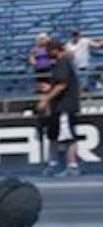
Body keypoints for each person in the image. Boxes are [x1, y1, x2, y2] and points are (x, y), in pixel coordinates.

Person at [38, 40, 81, 177]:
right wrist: (48, 88)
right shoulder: (59, 64)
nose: (49, 55)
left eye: (50, 51)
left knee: (68, 137)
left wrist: (46, 99)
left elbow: (62, 85)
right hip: (58, 107)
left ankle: (72, 166)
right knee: (54, 136)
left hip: (65, 106)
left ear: (55, 50)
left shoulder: (63, 62)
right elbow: (58, 84)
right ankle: (54, 164)